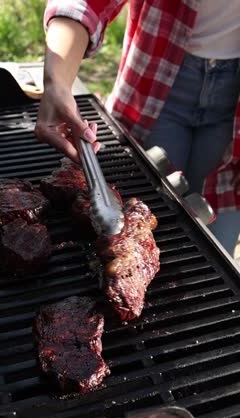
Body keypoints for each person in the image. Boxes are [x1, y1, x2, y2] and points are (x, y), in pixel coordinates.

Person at [35, 0, 240, 257]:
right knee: (143, 215)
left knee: (218, 244)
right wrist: (57, 82)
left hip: (235, 108)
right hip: (156, 82)